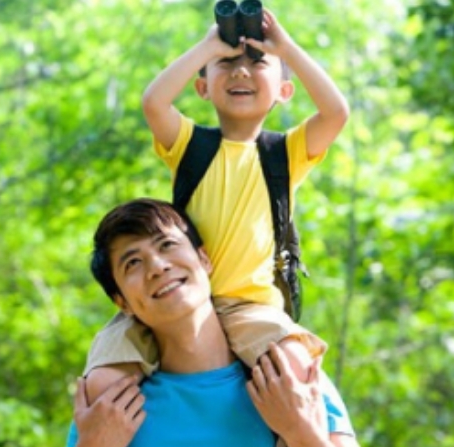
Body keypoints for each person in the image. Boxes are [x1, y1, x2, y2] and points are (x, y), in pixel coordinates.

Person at [84, 3, 350, 410]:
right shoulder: (191, 146)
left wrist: (286, 47)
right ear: (202, 87)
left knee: (294, 368)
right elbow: (154, 102)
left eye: (257, 63)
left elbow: (336, 112)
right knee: (102, 381)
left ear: (283, 90)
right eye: (225, 64)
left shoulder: (285, 154)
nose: (240, 71)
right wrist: (208, 46)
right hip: (174, 295)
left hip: (251, 306)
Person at [66, 199, 357, 447]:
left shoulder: (289, 377)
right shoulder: (111, 408)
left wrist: (303, 434)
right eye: (133, 263)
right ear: (122, 302)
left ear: (204, 259)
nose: (157, 266)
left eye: (167, 244)